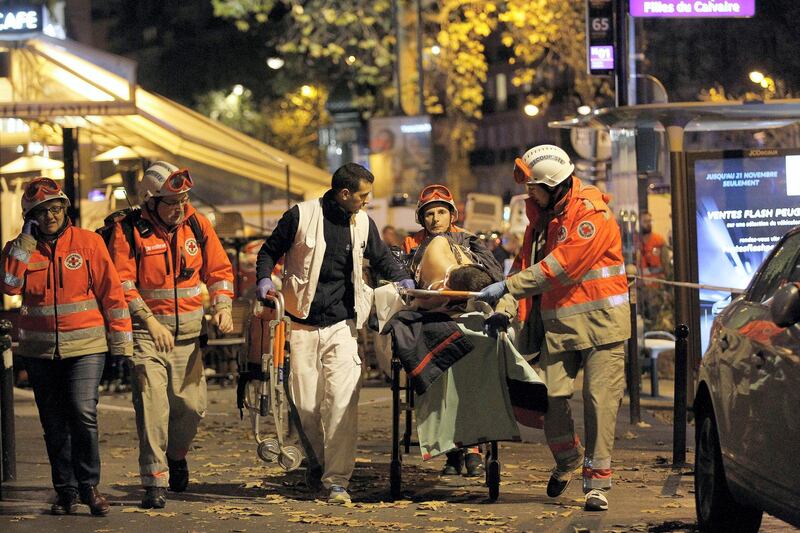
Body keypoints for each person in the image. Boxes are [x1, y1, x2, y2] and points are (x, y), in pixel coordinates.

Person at [476, 145, 631, 512]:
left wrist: (509, 289)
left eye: (534, 187)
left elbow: (562, 267)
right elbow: (521, 271)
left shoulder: (592, 214)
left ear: (556, 186)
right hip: (559, 328)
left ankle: (597, 484)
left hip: (602, 328)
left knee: (599, 402)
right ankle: (569, 459)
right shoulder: (541, 222)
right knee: (550, 397)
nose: (529, 193)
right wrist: (504, 307)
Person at [255, 163, 413, 504]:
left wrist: (403, 278)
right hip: (301, 326)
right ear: (345, 194)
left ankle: (337, 481)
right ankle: (319, 465)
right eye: (363, 195)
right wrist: (264, 279)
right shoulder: (300, 216)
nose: (366, 201)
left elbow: (382, 257)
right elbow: (268, 251)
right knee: (307, 405)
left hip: (343, 326)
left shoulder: (362, 224)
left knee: (343, 401)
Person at [1, 177, 133, 516]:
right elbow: (9, 285)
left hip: (86, 348)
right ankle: (65, 491)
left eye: (55, 208)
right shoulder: (18, 249)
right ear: (30, 216)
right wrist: (25, 242)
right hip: (40, 352)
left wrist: (121, 342)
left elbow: (112, 294)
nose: (50, 216)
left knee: (82, 412)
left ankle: (89, 487)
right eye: (42, 212)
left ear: (65, 208)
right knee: (54, 423)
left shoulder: (89, 243)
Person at [108, 161, 235, 509]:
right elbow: (123, 283)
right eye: (172, 201)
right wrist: (149, 322)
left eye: (183, 199)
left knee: (193, 408)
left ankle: (176, 455)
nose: (179, 208)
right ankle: (155, 481)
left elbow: (220, 271)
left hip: (190, 337)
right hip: (148, 336)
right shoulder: (129, 230)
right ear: (150, 200)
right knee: (152, 409)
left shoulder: (196, 223)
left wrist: (222, 306)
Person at [403, 183, 504, 477]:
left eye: (440, 212)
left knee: (469, 370)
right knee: (437, 372)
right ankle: (452, 448)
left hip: (468, 316)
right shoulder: (411, 246)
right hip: (430, 320)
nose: (435, 219)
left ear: (452, 215)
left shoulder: (470, 241)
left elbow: (493, 276)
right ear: (422, 219)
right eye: (429, 214)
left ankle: (470, 447)